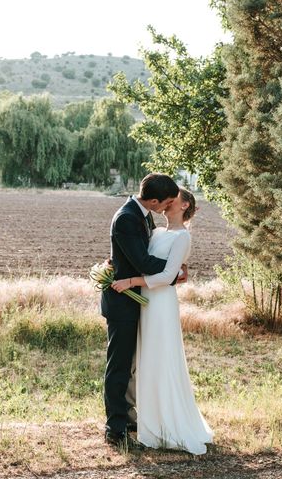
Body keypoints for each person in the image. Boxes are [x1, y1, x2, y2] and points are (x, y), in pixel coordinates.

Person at [111, 187, 213, 455]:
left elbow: (167, 276)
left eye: (175, 197)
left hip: (160, 304)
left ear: (184, 205)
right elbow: (140, 258)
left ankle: (168, 421)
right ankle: (148, 420)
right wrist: (115, 262)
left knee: (162, 358)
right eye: (168, 196)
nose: (169, 200)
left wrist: (130, 281)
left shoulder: (183, 238)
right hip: (144, 303)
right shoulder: (155, 231)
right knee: (145, 360)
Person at [100, 173, 186, 448]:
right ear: (153, 200)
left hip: (138, 299)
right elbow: (144, 262)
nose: (166, 208)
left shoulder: (144, 215)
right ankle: (115, 428)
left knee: (133, 365)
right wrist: (173, 273)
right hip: (122, 301)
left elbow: (134, 255)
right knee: (119, 366)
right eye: (166, 202)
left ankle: (129, 417)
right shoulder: (127, 217)